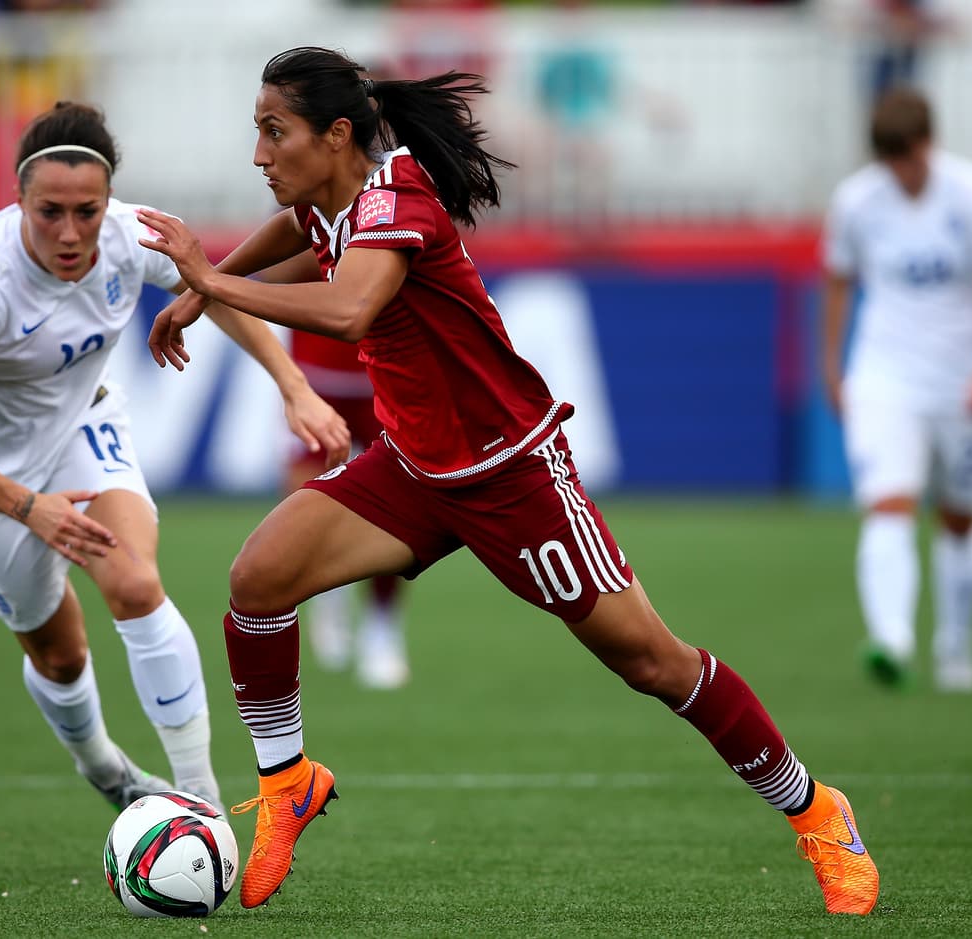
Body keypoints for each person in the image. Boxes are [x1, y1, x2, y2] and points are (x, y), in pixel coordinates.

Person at [137, 47, 879, 915]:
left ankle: (818, 811)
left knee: (653, 662)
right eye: (257, 132)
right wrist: (217, 282)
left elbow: (349, 308)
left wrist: (209, 279)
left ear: (336, 135)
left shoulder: (396, 198)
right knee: (258, 578)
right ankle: (287, 781)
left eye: (274, 132)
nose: (259, 154)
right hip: (416, 466)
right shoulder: (336, 195)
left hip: (511, 471)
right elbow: (304, 230)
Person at [0, 101, 350, 815]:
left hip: (84, 425)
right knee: (60, 655)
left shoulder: (132, 234)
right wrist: (28, 507)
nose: (70, 232)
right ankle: (104, 767)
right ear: (18, 200)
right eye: (49, 212)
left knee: (136, 584)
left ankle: (200, 801)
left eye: (87, 211)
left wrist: (293, 386)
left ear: (108, 200)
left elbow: (215, 292)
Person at [820, 87, 972, 692]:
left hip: (962, 382)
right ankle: (891, 640)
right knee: (889, 502)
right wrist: (833, 367)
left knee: (960, 516)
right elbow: (838, 284)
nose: (900, 172)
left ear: (928, 145)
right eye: (889, 160)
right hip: (886, 376)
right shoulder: (856, 202)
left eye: (907, 157)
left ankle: (956, 644)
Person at [262, 253, 410, 689]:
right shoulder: (307, 219)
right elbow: (272, 274)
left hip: (385, 378)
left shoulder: (391, 216)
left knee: (396, 512)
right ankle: (329, 594)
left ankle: (382, 628)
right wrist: (325, 252)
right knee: (303, 506)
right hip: (317, 381)